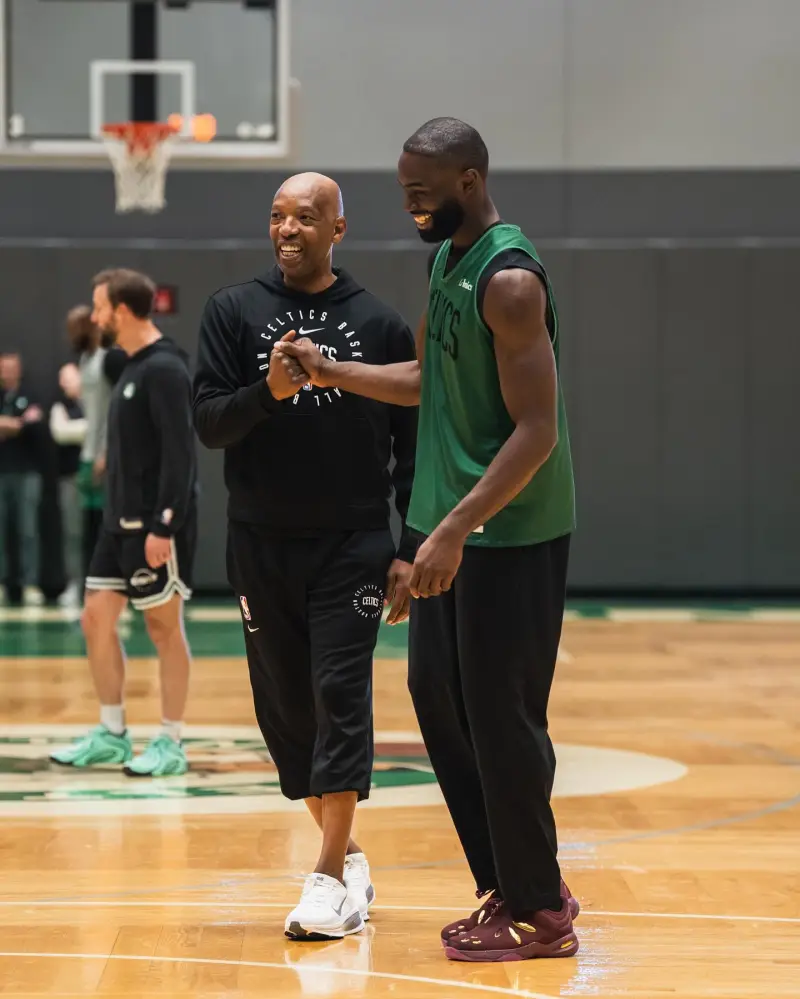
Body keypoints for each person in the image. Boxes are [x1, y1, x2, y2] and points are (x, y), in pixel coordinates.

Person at [273, 119, 580, 963]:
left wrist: (449, 530)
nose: (409, 205)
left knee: (503, 719)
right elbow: (429, 382)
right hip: (457, 531)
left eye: (423, 191)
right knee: (438, 698)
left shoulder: (510, 281)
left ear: (470, 179)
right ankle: (518, 883)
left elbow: (536, 430)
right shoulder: (448, 259)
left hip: (509, 532)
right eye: (402, 190)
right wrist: (336, 373)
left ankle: (540, 912)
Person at [192, 172, 417, 942]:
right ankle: (348, 856)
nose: (289, 229)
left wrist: (411, 547)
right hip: (259, 543)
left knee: (338, 694)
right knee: (287, 711)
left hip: (353, 546)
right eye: (279, 216)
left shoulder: (380, 324)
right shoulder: (232, 312)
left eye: (307, 218)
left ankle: (324, 878)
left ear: (338, 229)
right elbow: (211, 424)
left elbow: (411, 446)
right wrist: (271, 391)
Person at [50, 269, 197, 778]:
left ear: (124, 311)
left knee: (163, 627)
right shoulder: (129, 366)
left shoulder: (166, 370)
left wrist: (165, 524)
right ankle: (112, 733)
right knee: (96, 618)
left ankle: (171, 741)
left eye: (99, 307)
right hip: (117, 524)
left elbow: (182, 456)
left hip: (155, 526)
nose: (94, 318)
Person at [65, 304, 127, 583]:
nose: (72, 333)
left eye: (77, 326)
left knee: (109, 524)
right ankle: (92, 585)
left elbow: (119, 409)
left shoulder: (109, 359)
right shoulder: (84, 360)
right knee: (86, 526)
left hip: (106, 453)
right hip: (88, 452)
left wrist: (108, 452)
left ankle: (118, 586)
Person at [0, 351, 45, 606]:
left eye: (11, 367)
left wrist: (11, 425)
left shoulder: (31, 395)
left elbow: (34, 425)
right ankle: (4, 583)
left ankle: (30, 584)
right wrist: (16, 423)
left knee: (28, 530)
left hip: (27, 472)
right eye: (3, 368)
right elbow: (21, 423)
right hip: (1, 472)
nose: (7, 372)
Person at [49, 362, 88, 607]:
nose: (65, 384)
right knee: (73, 534)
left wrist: (87, 429)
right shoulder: (60, 406)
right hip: (70, 478)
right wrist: (88, 428)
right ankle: (75, 583)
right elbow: (60, 432)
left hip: (97, 478)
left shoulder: (95, 402)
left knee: (101, 532)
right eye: (62, 379)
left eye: (70, 378)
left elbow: (104, 428)